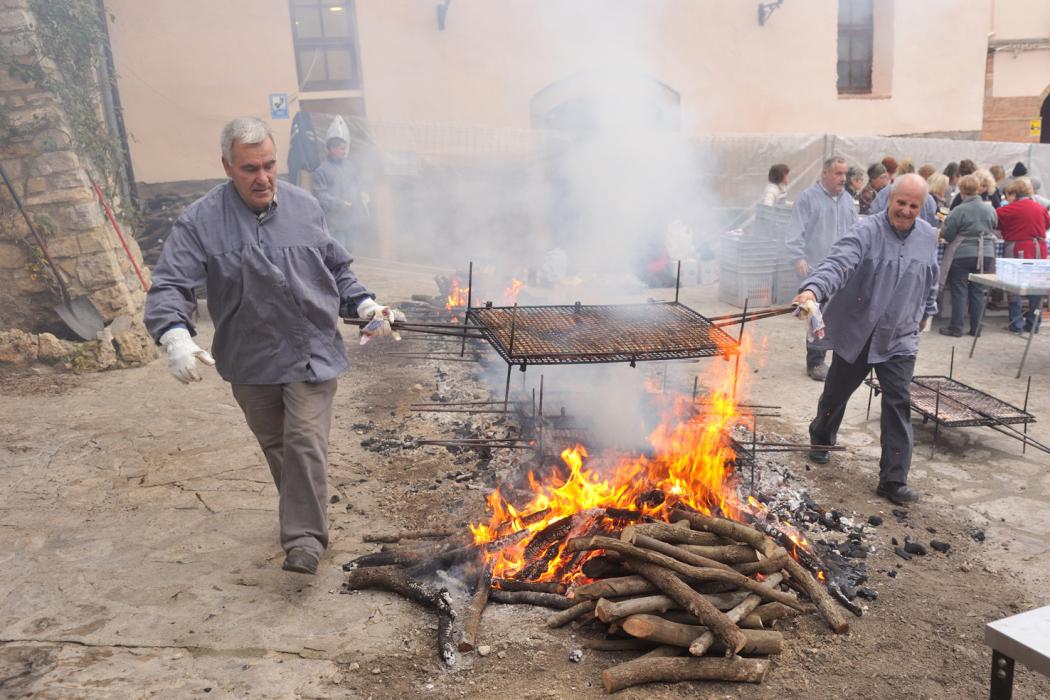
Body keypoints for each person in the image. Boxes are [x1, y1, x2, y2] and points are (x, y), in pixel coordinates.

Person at [144, 117, 402, 576]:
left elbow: (336, 267)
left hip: (311, 350)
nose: (262, 178)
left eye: (268, 165)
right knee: (279, 445)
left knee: (304, 440)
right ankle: (304, 510)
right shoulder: (200, 222)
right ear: (227, 166)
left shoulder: (305, 207)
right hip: (250, 357)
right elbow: (170, 282)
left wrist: (364, 303)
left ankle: (304, 540)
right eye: (249, 169)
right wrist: (174, 335)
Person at [794, 174, 938, 505]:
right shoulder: (865, 231)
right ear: (889, 199)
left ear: (921, 207)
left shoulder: (929, 237)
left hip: (899, 336)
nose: (905, 210)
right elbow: (837, 264)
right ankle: (821, 438)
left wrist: (926, 312)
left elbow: (931, 277)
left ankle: (893, 480)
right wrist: (812, 290)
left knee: (898, 403)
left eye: (913, 206)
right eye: (900, 203)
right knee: (836, 393)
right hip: (859, 331)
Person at [784, 156, 859, 381]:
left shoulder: (847, 201)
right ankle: (815, 362)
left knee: (841, 316)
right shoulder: (808, 198)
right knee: (816, 316)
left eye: (845, 174)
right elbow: (795, 230)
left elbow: (856, 233)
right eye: (838, 173)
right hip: (817, 269)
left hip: (843, 271)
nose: (843, 179)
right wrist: (798, 257)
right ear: (825, 173)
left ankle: (837, 360)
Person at [937, 175, 998, 337]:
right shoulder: (989, 208)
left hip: (962, 253)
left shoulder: (959, 210)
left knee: (959, 290)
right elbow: (994, 225)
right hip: (985, 253)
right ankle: (976, 328)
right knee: (978, 291)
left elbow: (947, 234)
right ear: (978, 189)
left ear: (962, 191)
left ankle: (956, 328)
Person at [996, 177, 1050, 334]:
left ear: (1014, 193)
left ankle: (1016, 323)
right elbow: (1048, 223)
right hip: (1039, 249)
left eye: (1007, 195)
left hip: (1018, 249)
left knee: (1014, 286)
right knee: (1036, 287)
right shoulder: (1039, 208)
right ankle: (1034, 324)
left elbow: (995, 221)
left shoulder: (1008, 209)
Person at [312, 116, 369, 253]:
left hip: (351, 220)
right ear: (331, 148)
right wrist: (340, 203)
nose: (345, 152)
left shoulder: (349, 165)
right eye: (341, 149)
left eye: (345, 148)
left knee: (350, 251)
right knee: (340, 252)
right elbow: (321, 196)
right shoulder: (322, 170)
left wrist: (363, 196)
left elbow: (357, 184)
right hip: (335, 223)